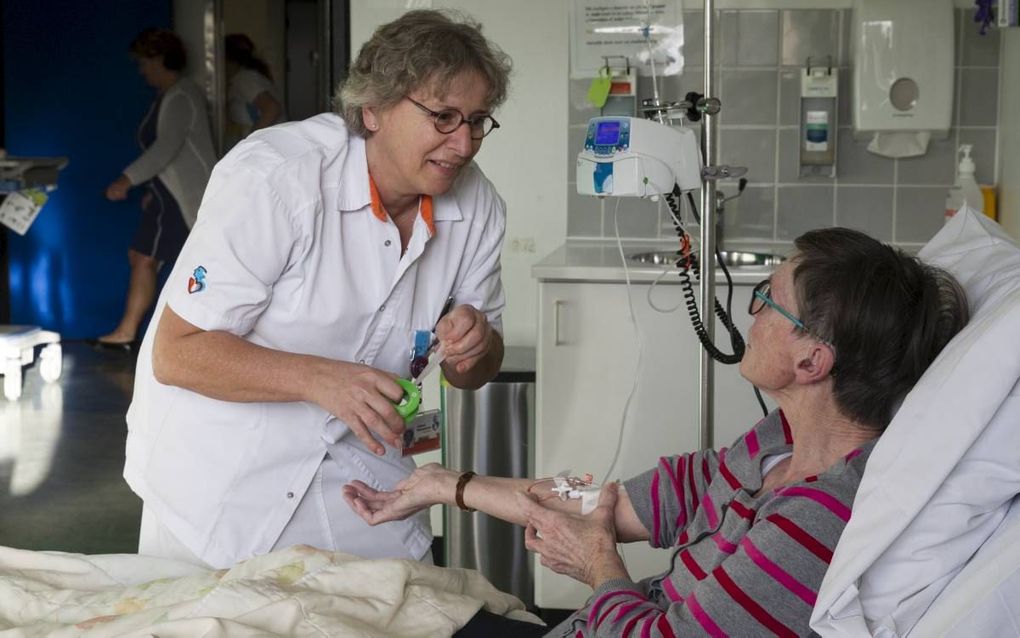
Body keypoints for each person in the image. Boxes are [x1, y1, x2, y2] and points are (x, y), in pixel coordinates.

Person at [344, 227, 971, 637]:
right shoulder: (769, 447)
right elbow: (603, 502)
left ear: (812, 361)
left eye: (767, 301)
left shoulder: (811, 524)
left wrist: (597, 565)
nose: (749, 313)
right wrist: (444, 484)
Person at [123, 9, 512, 570]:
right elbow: (177, 353)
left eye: (478, 121)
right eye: (443, 117)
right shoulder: (278, 179)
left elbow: (472, 372)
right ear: (373, 109)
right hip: (218, 489)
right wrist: (321, 379)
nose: (465, 143)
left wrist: (477, 346)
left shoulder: (478, 208)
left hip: (364, 487)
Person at [98, 28, 216, 350]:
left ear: (161, 59)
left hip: (183, 200)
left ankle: (137, 332)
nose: (142, 70)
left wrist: (126, 180)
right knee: (143, 256)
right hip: (167, 198)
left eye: (145, 63)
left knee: (152, 258)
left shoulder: (182, 96)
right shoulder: (168, 97)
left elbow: (166, 149)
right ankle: (134, 331)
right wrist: (153, 189)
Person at [224, 33, 285, 145]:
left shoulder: (244, 79)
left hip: (266, 145)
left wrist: (249, 143)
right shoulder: (248, 77)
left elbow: (272, 108)